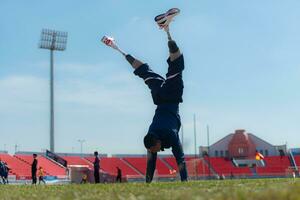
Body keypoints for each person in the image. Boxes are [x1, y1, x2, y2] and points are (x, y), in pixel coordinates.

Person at [102, 8, 188, 183]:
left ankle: (166, 31)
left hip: (170, 97)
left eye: (154, 150)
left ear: (156, 142)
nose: (155, 152)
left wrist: (185, 182)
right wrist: (147, 183)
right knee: (144, 72)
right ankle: (117, 47)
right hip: (159, 97)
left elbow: (180, 158)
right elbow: (151, 164)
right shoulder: (151, 138)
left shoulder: (170, 134)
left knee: (177, 65)